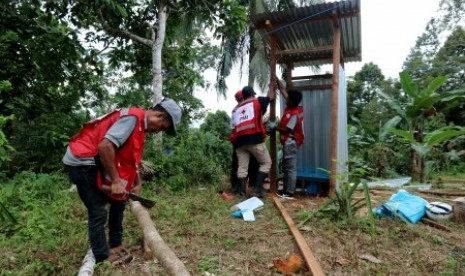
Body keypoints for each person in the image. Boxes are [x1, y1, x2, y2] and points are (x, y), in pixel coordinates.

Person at [62, 98, 182, 263]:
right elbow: (105, 146)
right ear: (159, 115)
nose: (158, 131)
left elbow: (132, 159)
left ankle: (115, 244)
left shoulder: (141, 127)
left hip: (95, 159)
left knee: (119, 201)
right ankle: (103, 257)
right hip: (83, 160)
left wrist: (137, 181)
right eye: (161, 127)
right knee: (97, 210)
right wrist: (116, 181)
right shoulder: (132, 119)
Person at [230, 86, 272, 198]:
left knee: (242, 167)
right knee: (266, 163)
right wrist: (271, 87)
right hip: (254, 140)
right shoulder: (257, 102)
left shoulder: (235, 109)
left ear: (242, 96)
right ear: (253, 94)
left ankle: (242, 193)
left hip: (239, 143)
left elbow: (233, 128)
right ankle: (257, 189)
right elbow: (270, 97)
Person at [270, 80, 304, 199]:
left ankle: (289, 192)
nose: (286, 99)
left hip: (290, 141)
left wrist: (274, 127)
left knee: (290, 168)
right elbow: (284, 91)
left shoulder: (295, 114)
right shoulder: (292, 106)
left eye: (288, 99)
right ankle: (285, 190)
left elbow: (286, 130)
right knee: (287, 167)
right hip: (288, 142)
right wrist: (277, 79)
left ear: (293, 101)